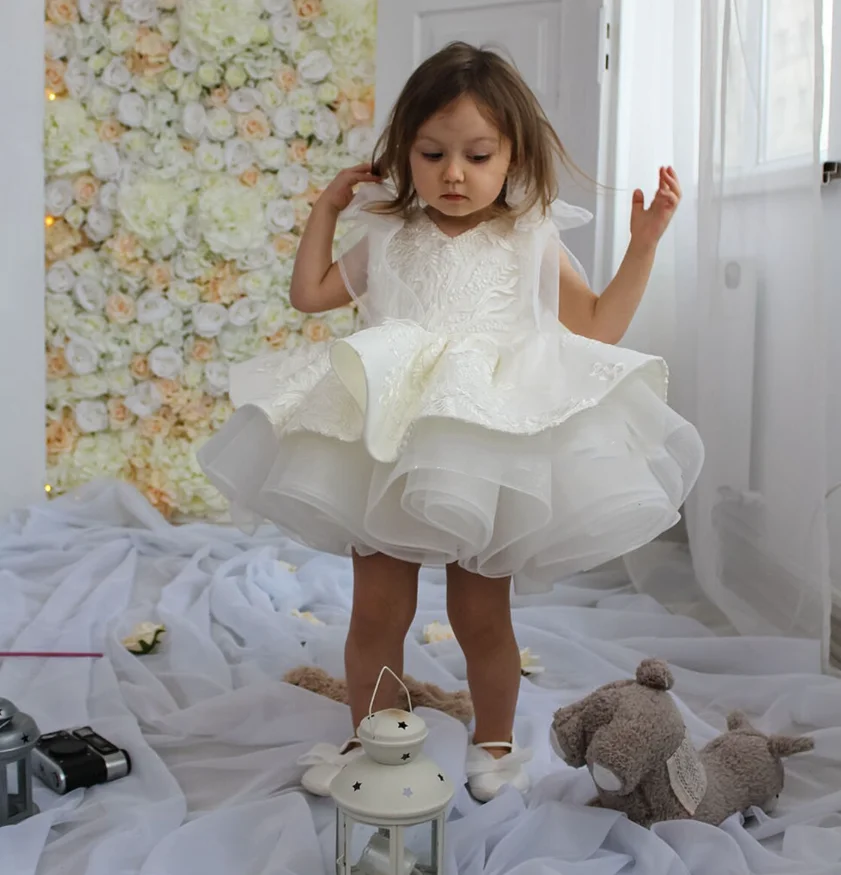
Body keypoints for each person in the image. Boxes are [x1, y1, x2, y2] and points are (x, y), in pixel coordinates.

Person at [198, 41, 704, 802]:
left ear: (512, 157)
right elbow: (310, 294)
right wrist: (328, 209)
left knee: (479, 613)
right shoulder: (386, 234)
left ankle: (494, 740)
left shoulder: (528, 235)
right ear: (404, 152)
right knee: (377, 609)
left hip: (483, 445)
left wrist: (644, 243)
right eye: (431, 154)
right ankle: (369, 731)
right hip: (388, 442)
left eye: (476, 154)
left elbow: (597, 325)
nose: (453, 174)